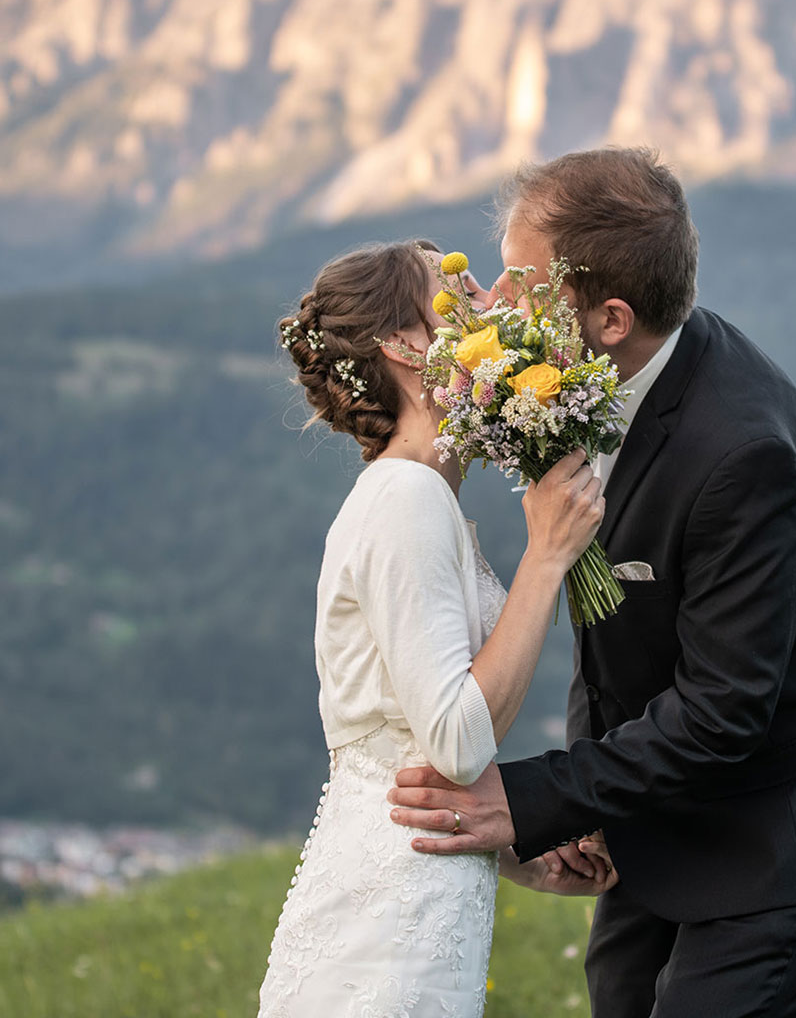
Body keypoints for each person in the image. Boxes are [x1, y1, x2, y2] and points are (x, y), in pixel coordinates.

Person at [387, 150, 796, 1018]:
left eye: (521, 279)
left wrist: (532, 797)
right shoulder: (575, 379)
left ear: (611, 317)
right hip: (660, 802)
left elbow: (727, 710)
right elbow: (611, 626)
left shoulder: (742, 456)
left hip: (784, 814)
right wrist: (590, 805)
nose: (494, 301)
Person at [257, 239, 617, 1018]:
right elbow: (456, 740)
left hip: (414, 885)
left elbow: (415, 741)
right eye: (458, 294)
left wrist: (511, 845)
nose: (492, 301)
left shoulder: (421, 498)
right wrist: (548, 556)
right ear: (407, 347)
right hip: (388, 924)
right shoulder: (405, 500)